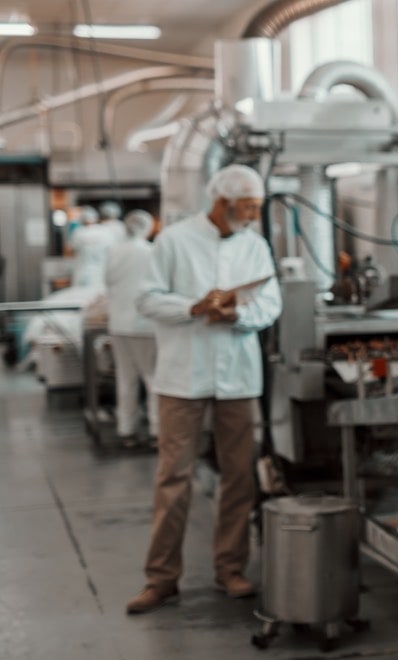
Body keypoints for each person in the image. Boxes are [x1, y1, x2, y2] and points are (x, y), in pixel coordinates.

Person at [126, 164, 282, 615]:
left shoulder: (255, 245)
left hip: (238, 377)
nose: (253, 215)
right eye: (247, 206)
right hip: (182, 377)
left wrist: (236, 315)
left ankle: (230, 568)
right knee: (173, 477)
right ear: (223, 202)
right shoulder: (174, 241)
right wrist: (193, 308)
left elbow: (269, 304)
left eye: (256, 206)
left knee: (239, 474)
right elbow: (147, 298)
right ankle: (161, 579)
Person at [104, 210, 159, 447]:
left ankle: (126, 430)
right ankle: (157, 431)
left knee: (126, 379)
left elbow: (108, 281)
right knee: (153, 378)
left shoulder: (115, 251)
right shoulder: (151, 252)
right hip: (144, 325)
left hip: (118, 323)